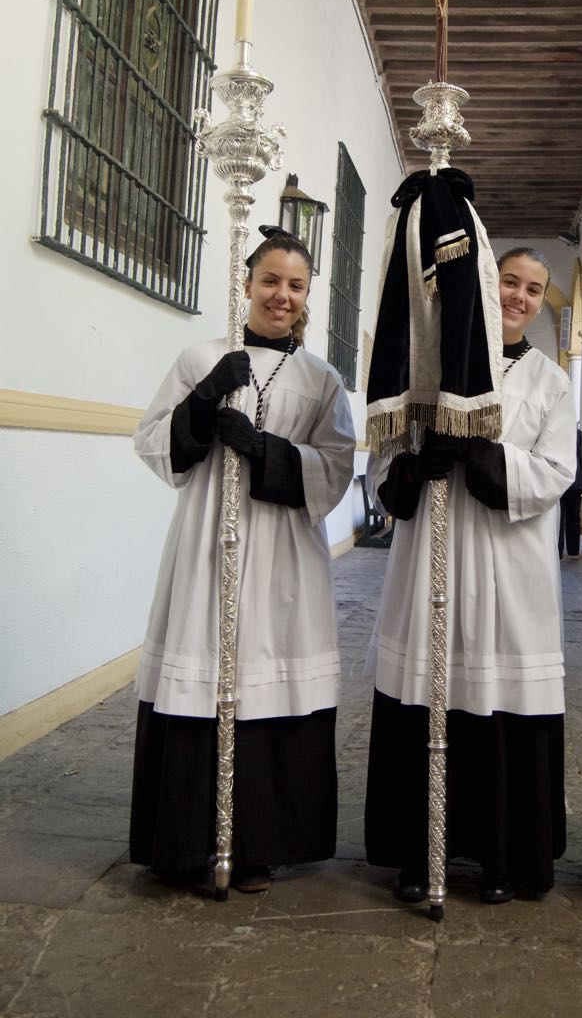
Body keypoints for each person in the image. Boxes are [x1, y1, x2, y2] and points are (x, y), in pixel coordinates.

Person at [130, 227, 355, 895]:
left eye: (295, 286)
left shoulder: (321, 377)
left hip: (283, 550)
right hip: (207, 541)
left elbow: (337, 467)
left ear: (306, 296)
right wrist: (204, 400)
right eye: (270, 281)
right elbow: (152, 441)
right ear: (247, 282)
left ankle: (260, 842)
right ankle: (185, 842)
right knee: (202, 670)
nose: (281, 296)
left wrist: (264, 451)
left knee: (271, 679)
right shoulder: (203, 355)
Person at [364, 247, 576, 903]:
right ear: (487, 285)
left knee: (499, 699)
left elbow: (556, 472)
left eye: (533, 289)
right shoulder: (428, 366)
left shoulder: (551, 382)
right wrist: (416, 465)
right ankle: (416, 851)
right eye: (509, 281)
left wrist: (482, 457)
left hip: (509, 566)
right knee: (427, 688)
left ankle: (502, 855)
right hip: (428, 555)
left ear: (541, 303)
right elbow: (384, 455)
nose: (518, 296)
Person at [558, 427, 582, 557]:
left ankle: (558, 551)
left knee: (559, 517)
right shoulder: (578, 434)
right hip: (574, 481)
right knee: (573, 517)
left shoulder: (554, 432)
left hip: (558, 480)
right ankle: (573, 551)